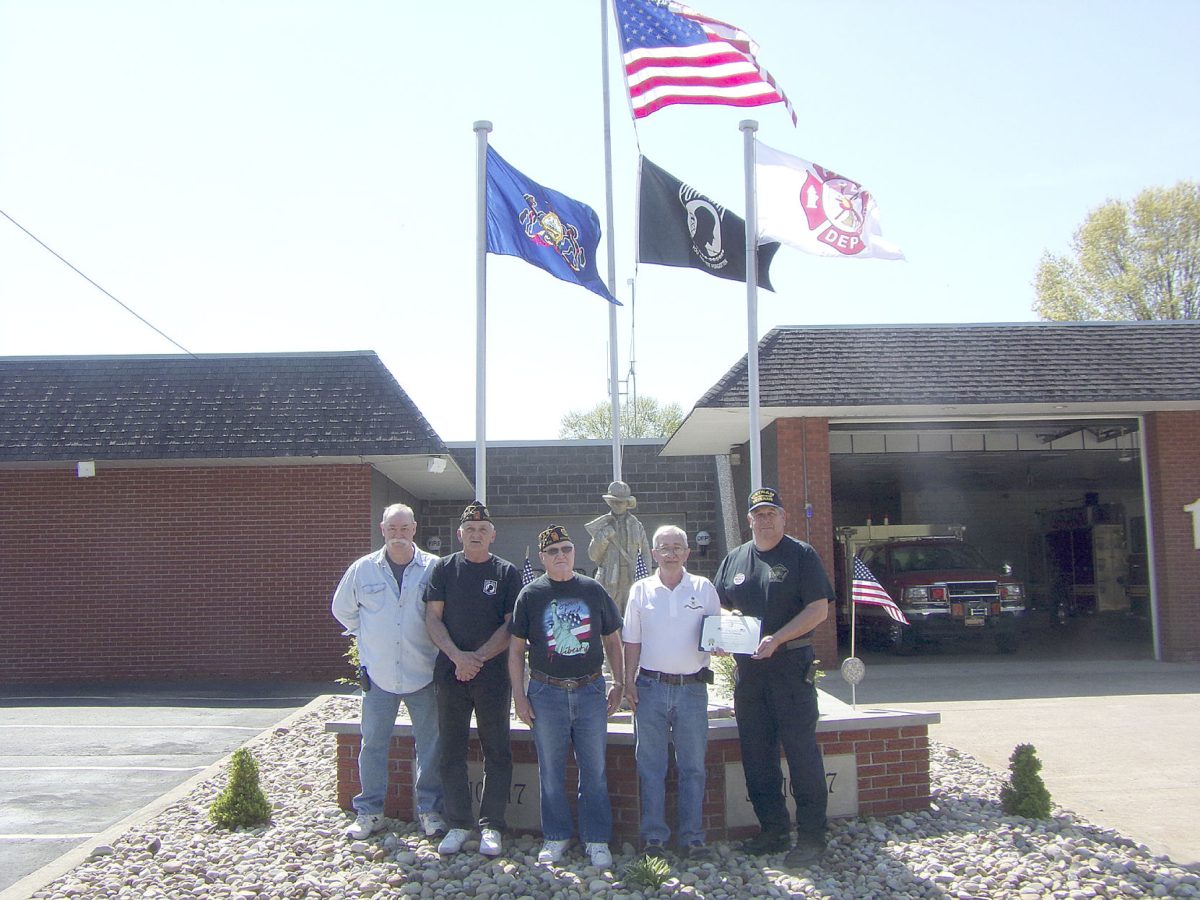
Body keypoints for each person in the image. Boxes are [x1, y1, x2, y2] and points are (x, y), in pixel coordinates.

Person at [713, 487, 834, 868]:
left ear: (783, 517)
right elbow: (719, 604)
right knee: (757, 754)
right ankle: (773, 830)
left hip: (790, 668)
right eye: (758, 514)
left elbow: (818, 609)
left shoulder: (801, 555)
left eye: (771, 513)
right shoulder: (735, 559)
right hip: (749, 673)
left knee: (801, 753)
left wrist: (778, 638)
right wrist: (721, 633)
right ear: (749, 520)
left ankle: (813, 836)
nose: (764, 520)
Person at [508, 524, 624, 869]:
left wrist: (619, 682)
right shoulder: (530, 595)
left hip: (590, 690)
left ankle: (596, 838)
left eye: (566, 549)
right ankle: (556, 836)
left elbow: (613, 641)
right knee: (551, 770)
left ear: (574, 553)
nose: (561, 556)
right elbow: (516, 651)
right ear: (542, 558)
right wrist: (519, 695)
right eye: (553, 552)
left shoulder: (593, 590)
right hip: (546, 692)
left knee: (594, 770)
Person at [331, 503, 445, 841]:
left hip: (423, 672)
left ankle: (429, 811)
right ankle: (370, 812)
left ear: (414, 529)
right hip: (378, 675)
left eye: (404, 528)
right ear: (382, 529)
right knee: (373, 745)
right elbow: (343, 610)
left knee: (429, 745)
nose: (398, 534)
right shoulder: (362, 569)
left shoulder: (433, 568)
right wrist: (370, 635)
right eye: (392, 528)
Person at [424, 501, 522, 858]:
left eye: (483, 530)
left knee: (497, 749)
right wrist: (457, 657)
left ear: (492, 535)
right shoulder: (444, 569)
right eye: (470, 530)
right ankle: (459, 823)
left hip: (493, 676)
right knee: (451, 750)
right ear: (460, 533)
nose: (476, 534)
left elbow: (511, 625)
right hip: (451, 675)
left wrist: (477, 659)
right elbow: (433, 618)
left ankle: (492, 825)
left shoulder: (507, 572)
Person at [622, 525, 721, 861]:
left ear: (687, 552)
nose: (671, 553)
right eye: (664, 547)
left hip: (692, 690)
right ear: (653, 554)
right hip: (650, 688)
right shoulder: (640, 590)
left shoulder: (704, 588)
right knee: (651, 767)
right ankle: (654, 838)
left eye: (678, 546)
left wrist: (725, 644)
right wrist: (628, 681)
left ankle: (692, 838)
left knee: (693, 767)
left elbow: (718, 633)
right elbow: (631, 641)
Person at [585, 481, 651, 615]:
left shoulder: (636, 525)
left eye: (621, 502)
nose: (617, 505)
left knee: (633, 615)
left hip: (631, 576)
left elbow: (645, 553)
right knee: (610, 618)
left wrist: (646, 578)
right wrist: (602, 537)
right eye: (614, 501)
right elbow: (593, 555)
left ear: (627, 503)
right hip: (609, 578)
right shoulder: (602, 524)